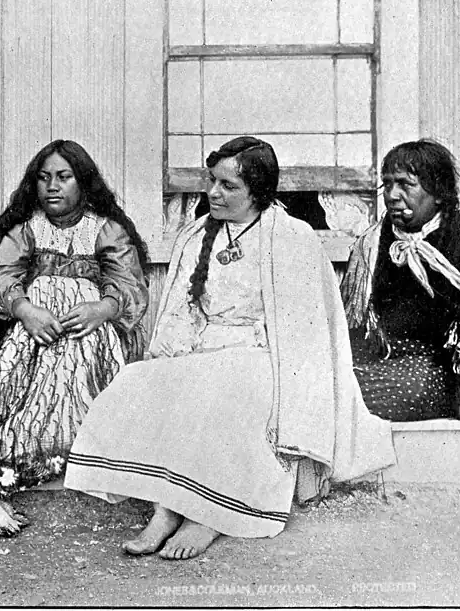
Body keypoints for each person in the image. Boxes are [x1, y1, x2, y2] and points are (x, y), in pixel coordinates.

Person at [65, 137, 395, 561]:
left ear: (257, 192)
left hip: (265, 357)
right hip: (205, 349)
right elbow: (183, 309)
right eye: (211, 181)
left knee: (222, 388)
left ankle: (207, 516)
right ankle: (167, 509)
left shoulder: (292, 239)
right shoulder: (198, 235)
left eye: (227, 186)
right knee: (144, 380)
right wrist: (175, 354)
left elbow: (305, 332)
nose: (213, 193)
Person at [0, 139, 149, 527]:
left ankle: (82, 455)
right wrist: (25, 309)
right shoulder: (26, 230)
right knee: (8, 402)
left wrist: (103, 308)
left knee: (84, 386)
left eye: (64, 177)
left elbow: (129, 283)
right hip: (35, 333)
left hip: (89, 332)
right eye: (44, 178)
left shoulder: (105, 230)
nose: (52, 187)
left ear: (84, 183)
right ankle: (30, 457)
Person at [340, 139, 460, 436]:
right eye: (387, 185)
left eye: (405, 185)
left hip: (443, 369)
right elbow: (352, 325)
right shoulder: (372, 242)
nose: (392, 196)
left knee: (412, 385)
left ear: (438, 193)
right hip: (383, 363)